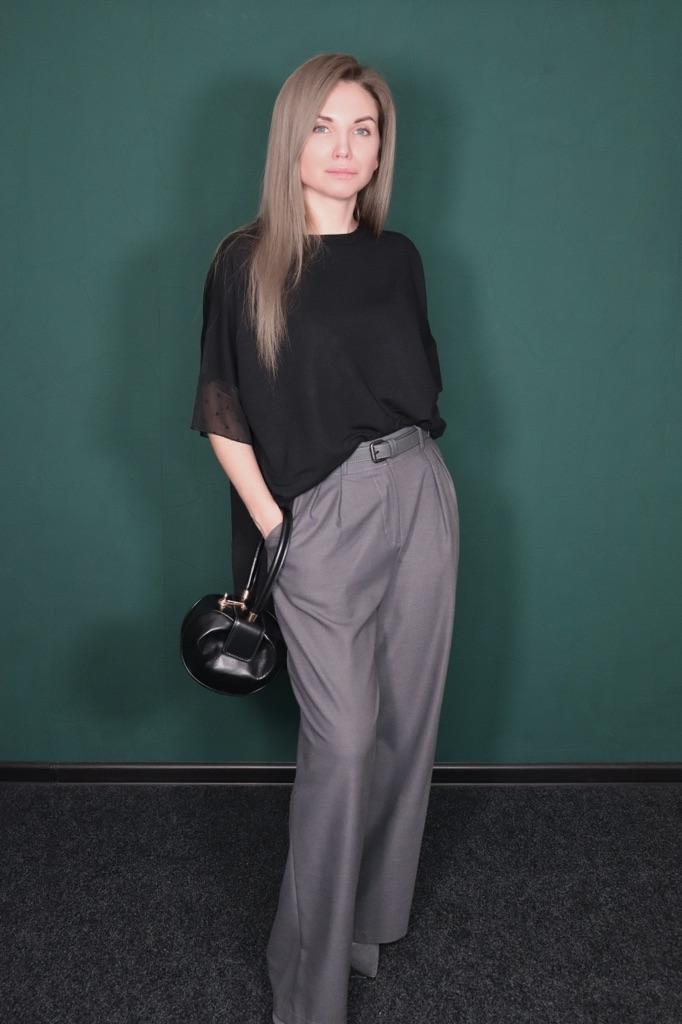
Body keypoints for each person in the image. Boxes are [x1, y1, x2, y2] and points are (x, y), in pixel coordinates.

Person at [190, 52, 460, 1024]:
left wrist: (412, 482)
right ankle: (305, 987)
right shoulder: (245, 260)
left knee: (402, 727)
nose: (344, 147)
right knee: (341, 742)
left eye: (363, 128)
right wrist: (276, 522)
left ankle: (364, 923)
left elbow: (415, 382)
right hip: (316, 509)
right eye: (323, 126)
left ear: (381, 148)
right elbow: (221, 409)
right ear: (291, 141)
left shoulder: (399, 258)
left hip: (419, 493)